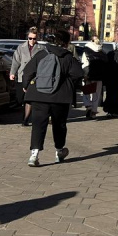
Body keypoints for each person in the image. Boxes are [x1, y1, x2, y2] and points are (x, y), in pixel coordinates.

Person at [21, 29, 83, 167]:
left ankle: (34, 155)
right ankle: (59, 151)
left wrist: (26, 86)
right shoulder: (68, 57)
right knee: (59, 125)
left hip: (39, 95)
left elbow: (28, 71)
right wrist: (68, 84)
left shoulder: (41, 54)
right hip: (60, 97)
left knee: (38, 125)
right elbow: (78, 74)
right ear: (66, 43)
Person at [9, 27, 45, 126]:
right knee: (20, 98)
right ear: (27, 37)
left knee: (29, 99)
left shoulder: (41, 48)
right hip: (22, 75)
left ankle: (25, 119)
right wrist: (12, 73)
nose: (32, 41)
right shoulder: (21, 47)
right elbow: (16, 61)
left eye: (34, 38)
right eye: (30, 38)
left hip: (34, 77)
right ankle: (25, 116)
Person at [81, 37, 105, 119]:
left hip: (89, 74)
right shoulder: (102, 51)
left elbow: (84, 63)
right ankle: (94, 112)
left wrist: (85, 74)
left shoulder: (86, 51)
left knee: (87, 91)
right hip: (99, 75)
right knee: (96, 94)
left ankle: (88, 105)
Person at [102, 43, 118, 117]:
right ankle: (114, 111)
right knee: (115, 95)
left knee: (109, 94)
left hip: (109, 78)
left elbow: (105, 67)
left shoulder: (109, 54)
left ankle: (109, 110)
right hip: (117, 78)